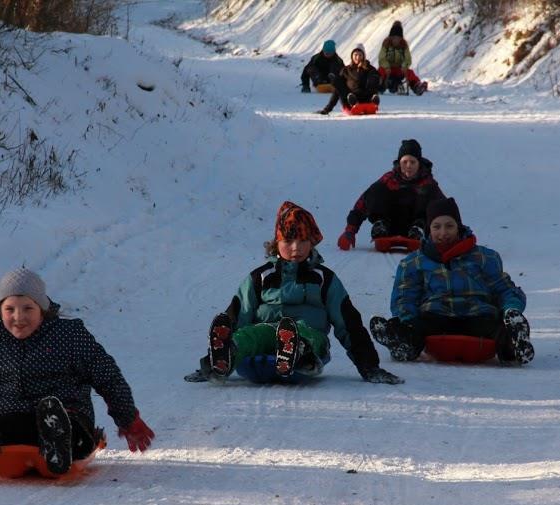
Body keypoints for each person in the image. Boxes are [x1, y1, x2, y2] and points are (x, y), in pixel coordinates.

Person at [0, 268, 155, 475]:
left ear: (42, 309)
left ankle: (58, 440)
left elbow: (107, 376)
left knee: (70, 427)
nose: (19, 317)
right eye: (10, 309)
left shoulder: (69, 336)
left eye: (28, 308)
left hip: (67, 414)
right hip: (14, 420)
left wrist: (128, 418)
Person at [184, 201, 403, 385]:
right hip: (266, 332)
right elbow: (237, 314)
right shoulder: (260, 278)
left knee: (304, 334)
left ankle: (295, 351)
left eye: (303, 241)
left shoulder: (324, 279)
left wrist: (369, 367)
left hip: (309, 337)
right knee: (248, 335)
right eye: (288, 241)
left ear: (312, 242)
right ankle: (225, 357)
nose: (296, 248)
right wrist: (209, 361)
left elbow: (349, 324)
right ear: (276, 242)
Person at [369, 197, 535, 365]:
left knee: (497, 329)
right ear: (428, 229)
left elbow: (504, 289)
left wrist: (511, 310)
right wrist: (406, 319)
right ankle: (402, 342)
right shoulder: (414, 262)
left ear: (459, 227)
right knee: (416, 328)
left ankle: (514, 344)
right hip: (436, 316)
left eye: (449, 226)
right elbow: (405, 296)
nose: (443, 233)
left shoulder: (484, 257)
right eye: (437, 226)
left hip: (477, 314)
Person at [337, 139, 446, 249]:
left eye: (412, 162)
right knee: (377, 188)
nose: (408, 166)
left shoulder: (428, 182)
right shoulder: (389, 179)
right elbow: (364, 202)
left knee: (428, 191)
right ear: (399, 163)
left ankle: (418, 229)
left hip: (417, 225)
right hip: (390, 226)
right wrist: (350, 230)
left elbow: (446, 209)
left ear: (419, 164)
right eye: (405, 162)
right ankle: (380, 226)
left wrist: (455, 234)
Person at [316, 44, 381, 115]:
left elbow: (376, 82)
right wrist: (327, 109)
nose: (358, 57)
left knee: (374, 77)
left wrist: (374, 82)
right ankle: (353, 101)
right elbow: (337, 90)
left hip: (366, 98)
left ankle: (372, 100)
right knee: (337, 82)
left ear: (363, 56)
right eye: (355, 55)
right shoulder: (346, 70)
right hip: (350, 100)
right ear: (352, 56)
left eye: (360, 55)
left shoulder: (370, 69)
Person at [377, 21, 428, 95]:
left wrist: (404, 66)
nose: (395, 40)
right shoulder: (386, 43)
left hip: (399, 69)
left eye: (398, 38)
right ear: (391, 37)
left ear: (401, 38)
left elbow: (408, 59)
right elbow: (381, 58)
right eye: (394, 38)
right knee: (379, 71)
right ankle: (376, 85)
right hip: (387, 68)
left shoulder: (404, 45)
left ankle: (417, 86)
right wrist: (386, 66)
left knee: (410, 72)